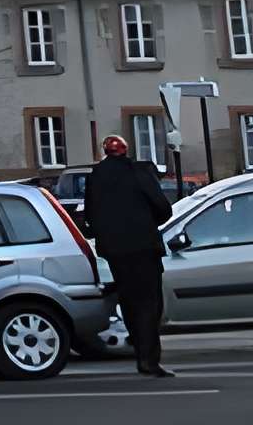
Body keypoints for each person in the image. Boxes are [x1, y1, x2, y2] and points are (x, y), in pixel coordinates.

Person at [80, 134, 171, 376]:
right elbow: (163, 208)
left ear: (105, 151)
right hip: (144, 246)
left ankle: (139, 350)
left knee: (129, 301)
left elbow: (89, 214)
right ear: (125, 150)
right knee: (150, 303)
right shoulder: (139, 171)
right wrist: (148, 222)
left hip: (115, 251)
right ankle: (149, 358)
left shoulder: (95, 177)